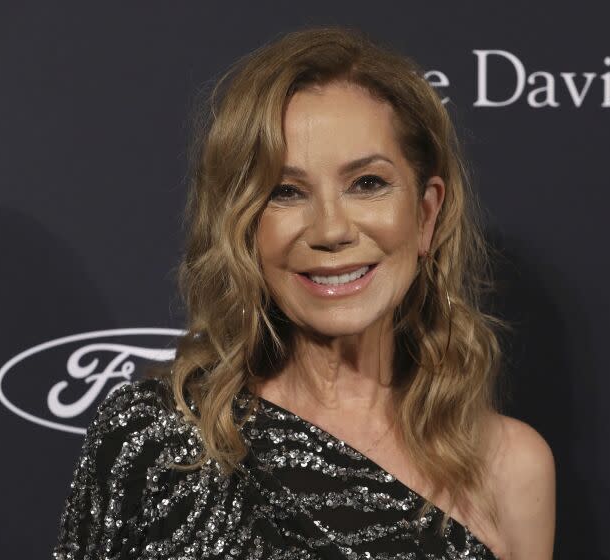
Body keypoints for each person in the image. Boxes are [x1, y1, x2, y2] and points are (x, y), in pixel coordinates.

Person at [52, 26, 555, 560]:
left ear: (426, 215)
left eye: (367, 183)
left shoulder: (509, 468)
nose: (331, 230)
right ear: (244, 228)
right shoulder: (156, 440)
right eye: (286, 192)